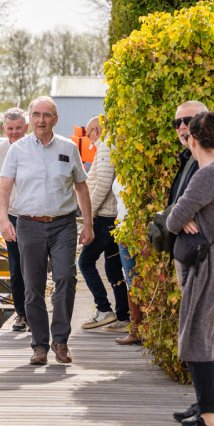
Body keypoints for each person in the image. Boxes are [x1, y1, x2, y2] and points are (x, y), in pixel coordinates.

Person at [0, 96, 93, 366]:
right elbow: (3, 189)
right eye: (37, 115)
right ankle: (39, 345)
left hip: (63, 224)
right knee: (32, 287)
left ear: (55, 119)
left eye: (47, 115)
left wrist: (88, 223)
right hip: (28, 225)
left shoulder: (69, 148)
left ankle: (60, 340)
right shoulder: (17, 150)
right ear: (30, 119)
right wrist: (4, 221)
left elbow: (81, 187)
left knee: (66, 278)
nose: (41, 120)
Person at [168, 100, 214, 423]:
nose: (182, 128)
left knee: (207, 337)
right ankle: (209, 407)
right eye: (177, 123)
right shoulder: (208, 164)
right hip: (204, 259)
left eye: (188, 122)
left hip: (208, 263)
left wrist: (180, 215)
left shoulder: (213, 168)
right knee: (205, 336)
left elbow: (176, 217)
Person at [76, 116, 131, 331]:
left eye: (88, 133)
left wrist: (88, 215)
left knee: (85, 261)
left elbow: (102, 185)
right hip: (111, 217)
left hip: (105, 217)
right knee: (113, 268)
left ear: (96, 130)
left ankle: (103, 309)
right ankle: (123, 316)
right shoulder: (108, 147)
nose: (88, 138)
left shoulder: (106, 147)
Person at [0, 108, 29, 331]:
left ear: (26, 128)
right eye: (10, 129)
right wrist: (0, 214)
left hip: (35, 215)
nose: (14, 132)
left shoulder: (35, 147)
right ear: (4, 129)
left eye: (18, 128)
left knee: (36, 266)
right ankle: (21, 314)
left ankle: (36, 312)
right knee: (16, 268)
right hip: (11, 216)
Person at [111, 175, 146, 345]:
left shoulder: (134, 168)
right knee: (132, 278)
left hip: (132, 231)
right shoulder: (122, 167)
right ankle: (138, 329)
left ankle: (138, 330)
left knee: (134, 279)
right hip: (124, 230)